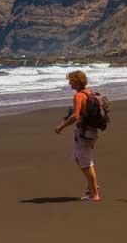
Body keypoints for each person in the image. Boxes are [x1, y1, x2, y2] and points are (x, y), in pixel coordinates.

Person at [53, 70, 100, 201]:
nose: (69, 83)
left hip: (84, 133)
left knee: (85, 162)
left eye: (70, 80)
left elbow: (75, 115)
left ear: (76, 81)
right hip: (92, 131)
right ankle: (92, 186)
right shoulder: (89, 92)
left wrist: (61, 126)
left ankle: (94, 194)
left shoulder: (79, 96)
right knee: (79, 158)